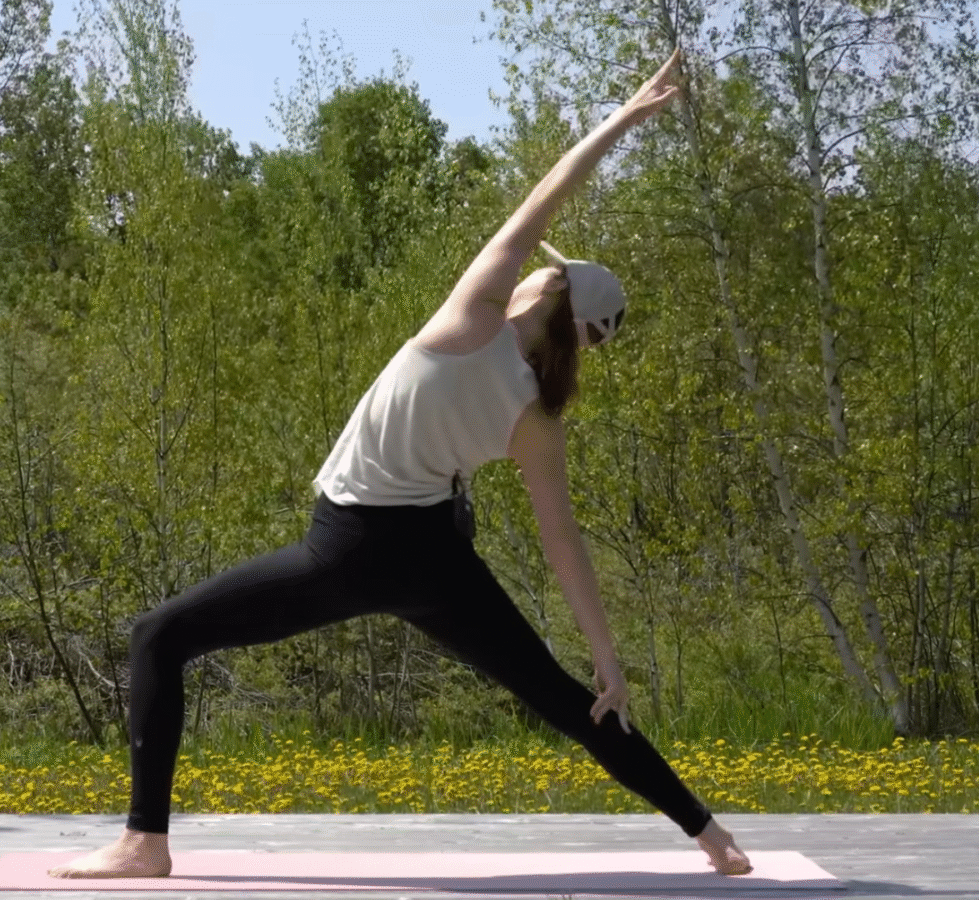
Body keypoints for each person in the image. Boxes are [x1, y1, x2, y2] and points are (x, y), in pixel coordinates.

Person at [49, 47, 753, 879]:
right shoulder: (540, 415)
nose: (533, 272)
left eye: (545, 274)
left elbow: (546, 194)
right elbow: (563, 543)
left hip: (348, 547)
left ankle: (144, 843)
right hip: (436, 562)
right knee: (565, 696)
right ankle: (712, 836)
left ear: (548, 294)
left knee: (159, 636)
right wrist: (606, 655)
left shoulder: (475, 314)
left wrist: (625, 118)